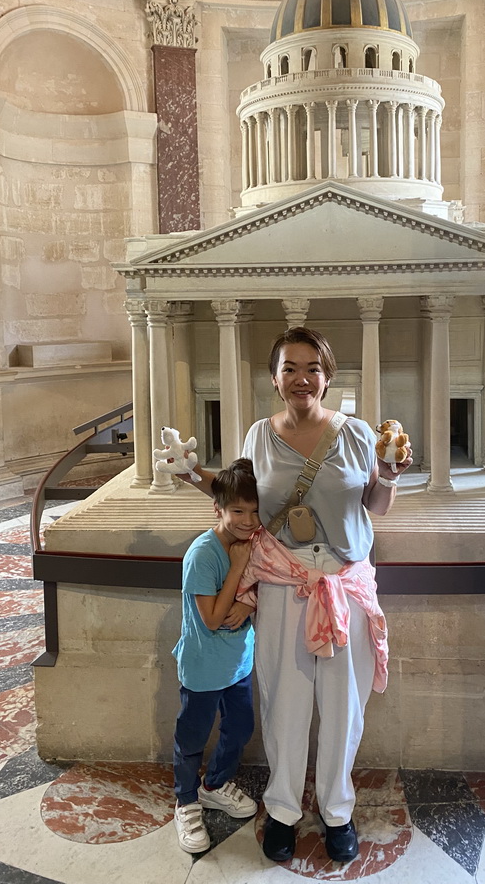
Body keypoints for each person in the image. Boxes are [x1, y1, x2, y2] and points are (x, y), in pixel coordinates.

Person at [179, 326, 410, 864]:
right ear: (274, 377)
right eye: (290, 368)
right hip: (284, 581)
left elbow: (377, 504)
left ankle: (337, 811)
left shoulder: (355, 434)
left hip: (343, 584)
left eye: (312, 368)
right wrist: (191, 475)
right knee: (284, 700)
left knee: (342, 704)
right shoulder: (259, 435)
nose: (301, 378)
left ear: (327, 377)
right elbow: (238, 497)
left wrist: (392, 472)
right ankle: (282, 810)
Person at [171, 459, 261, 853]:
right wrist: (238, 567)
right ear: (218, 508)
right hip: (204, 667)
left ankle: (214, 785)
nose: (247, 519)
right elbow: (210, 619)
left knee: (240, 728)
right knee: (191, 738)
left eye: (255, 511)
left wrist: (249, 605)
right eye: (238, 510)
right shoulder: (203, 554)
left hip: (238, 663)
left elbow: (268, 584)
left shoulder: (254, 542)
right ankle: (186, 801)